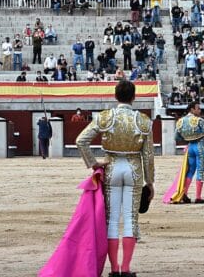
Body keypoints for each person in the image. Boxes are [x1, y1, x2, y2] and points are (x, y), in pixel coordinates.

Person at [76, 80, 155, 277]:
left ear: (115, 96)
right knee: (130, 219)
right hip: (134, 170)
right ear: (134, 97)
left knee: (111, 221)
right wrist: (150, 182)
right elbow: (148, 155)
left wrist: (93, 163)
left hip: (111, 168)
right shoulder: (143, 121)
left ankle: (114, 270)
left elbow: (81, 140)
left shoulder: (105, 117)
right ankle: (126, 269)